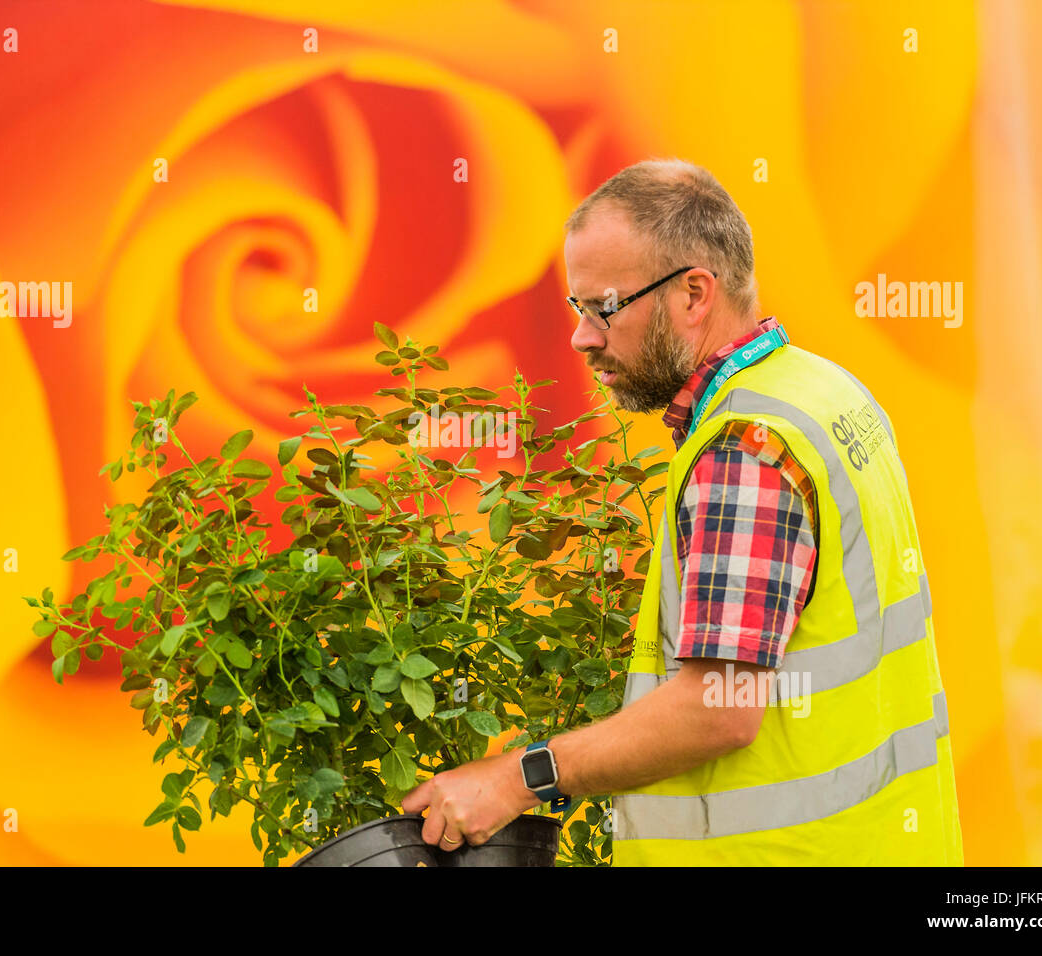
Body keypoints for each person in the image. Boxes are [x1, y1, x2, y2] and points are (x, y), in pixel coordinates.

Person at [402, 159, 963, 865]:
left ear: (695, 292)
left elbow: (718, 709)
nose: (584, 337)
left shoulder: (745, 448)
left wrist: (521, 777)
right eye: (578, 310)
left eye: (603, 307)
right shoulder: (824, 391)